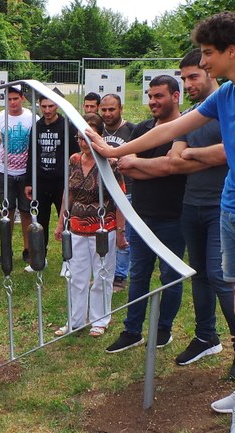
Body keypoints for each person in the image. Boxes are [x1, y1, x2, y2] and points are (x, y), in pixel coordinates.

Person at [88, 12, 235, 433]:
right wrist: (117, 150)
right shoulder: (226, 96)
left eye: (207, 54)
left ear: (231, 51)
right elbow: (172, 129)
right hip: (229, 207)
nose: (203, 64)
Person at [101, 75, 186, 354]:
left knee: (170, 276)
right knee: (138, 275)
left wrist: (140, 164)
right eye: (150, 96)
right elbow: (126, 166)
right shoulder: (144, 128)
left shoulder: (184, 129)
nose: (152, 102)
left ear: (175, 96)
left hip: (173, 216)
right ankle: (132, 330)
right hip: (140, 215)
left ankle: (163, 330)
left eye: (158, 96)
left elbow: (171, 168)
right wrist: (141, 165)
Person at [168, 50, 235, 378]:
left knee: (221, 277)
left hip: (221, 207)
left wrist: (193, 154)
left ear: (210, 72)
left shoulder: (229, 107)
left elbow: (229, 152)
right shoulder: (189, 114)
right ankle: (206, 336)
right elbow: (174, 156)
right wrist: (200, 156)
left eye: (193, 76)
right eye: (183, 78)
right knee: (198, 275)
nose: (188, 83)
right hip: (190, 205)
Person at [53, 113, 126, 337]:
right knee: (76, 275)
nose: (83, 143)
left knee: (103, 274)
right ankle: (75, 320)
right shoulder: (74, 160)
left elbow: (120, 199)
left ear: (99, 137)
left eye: (87, 138)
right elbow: (69, 193)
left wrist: (121, 232)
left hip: (104, 228)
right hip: (76, 226)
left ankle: (100, 319)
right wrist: (60, 223)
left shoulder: (110, 164)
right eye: (79, 138)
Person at [23, 95, 79, 272]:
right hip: (41, 181)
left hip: (62, 182)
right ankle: (40, 258)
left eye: (51, 106)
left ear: (57, 106)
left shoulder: (67, 126)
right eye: (43, 106)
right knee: (40, 221)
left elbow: (75, 155)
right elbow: (31, 154)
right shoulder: (37, 127)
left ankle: (68, 260)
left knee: (66, 220)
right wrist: (29, 182)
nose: (47, 110)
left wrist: (73, 180)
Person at [0, 85, 36, 266]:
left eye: (15, 98)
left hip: (25, 173)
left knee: (26, 212)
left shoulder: (32, 118)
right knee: (7, 211)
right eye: (9, 99)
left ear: (22, 98)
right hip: (4, 172)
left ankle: (28, 248)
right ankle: (6, 250)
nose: (12, 103)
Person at [99, 93, 136, 292]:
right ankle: (104, 270)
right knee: (102, 231)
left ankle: (120, 276)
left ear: (120, 109)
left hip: (126, 190)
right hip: (101, 191)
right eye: (103, 109)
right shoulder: (97, 130)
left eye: (112, 109)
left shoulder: (131, 130)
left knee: (123, 233)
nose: (107, 113)